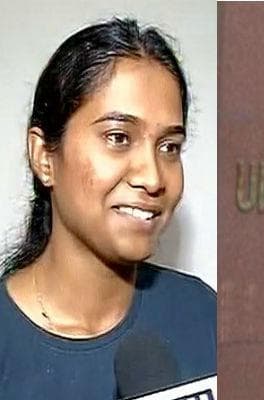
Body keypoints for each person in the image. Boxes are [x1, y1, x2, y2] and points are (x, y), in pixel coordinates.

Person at [0, 17, 216, 398]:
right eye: (118, 137)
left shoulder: (203, 314)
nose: (153, 177)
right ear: (44, 156)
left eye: (169, 147)